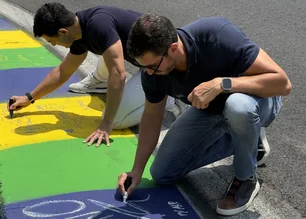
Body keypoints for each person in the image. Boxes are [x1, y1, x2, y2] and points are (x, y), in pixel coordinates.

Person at [117, 14, 291, 215]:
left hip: (256, 99)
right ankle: (252, 142)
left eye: (152, 66)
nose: (148, 73)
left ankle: (246, 178)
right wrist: (137, 169)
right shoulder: (153, 72)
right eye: (142, 66)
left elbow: (282, 83)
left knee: (238, 106)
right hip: (209, 110)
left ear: (173, 49)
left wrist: (222, 84)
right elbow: (151, 118)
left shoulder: (216, 35)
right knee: (162, 173)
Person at [7, 3, 178, 146]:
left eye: (53, 41)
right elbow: (63, 71)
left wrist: (106, 124)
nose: (54, 45)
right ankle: (102, 83)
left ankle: (167, 97)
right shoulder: (78, 28)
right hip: (144, 59)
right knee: (109, 50)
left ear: (63, 32)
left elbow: (119, 74)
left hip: (161, 66)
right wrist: (29, 97)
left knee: (115, 119)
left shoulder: (98, 25)